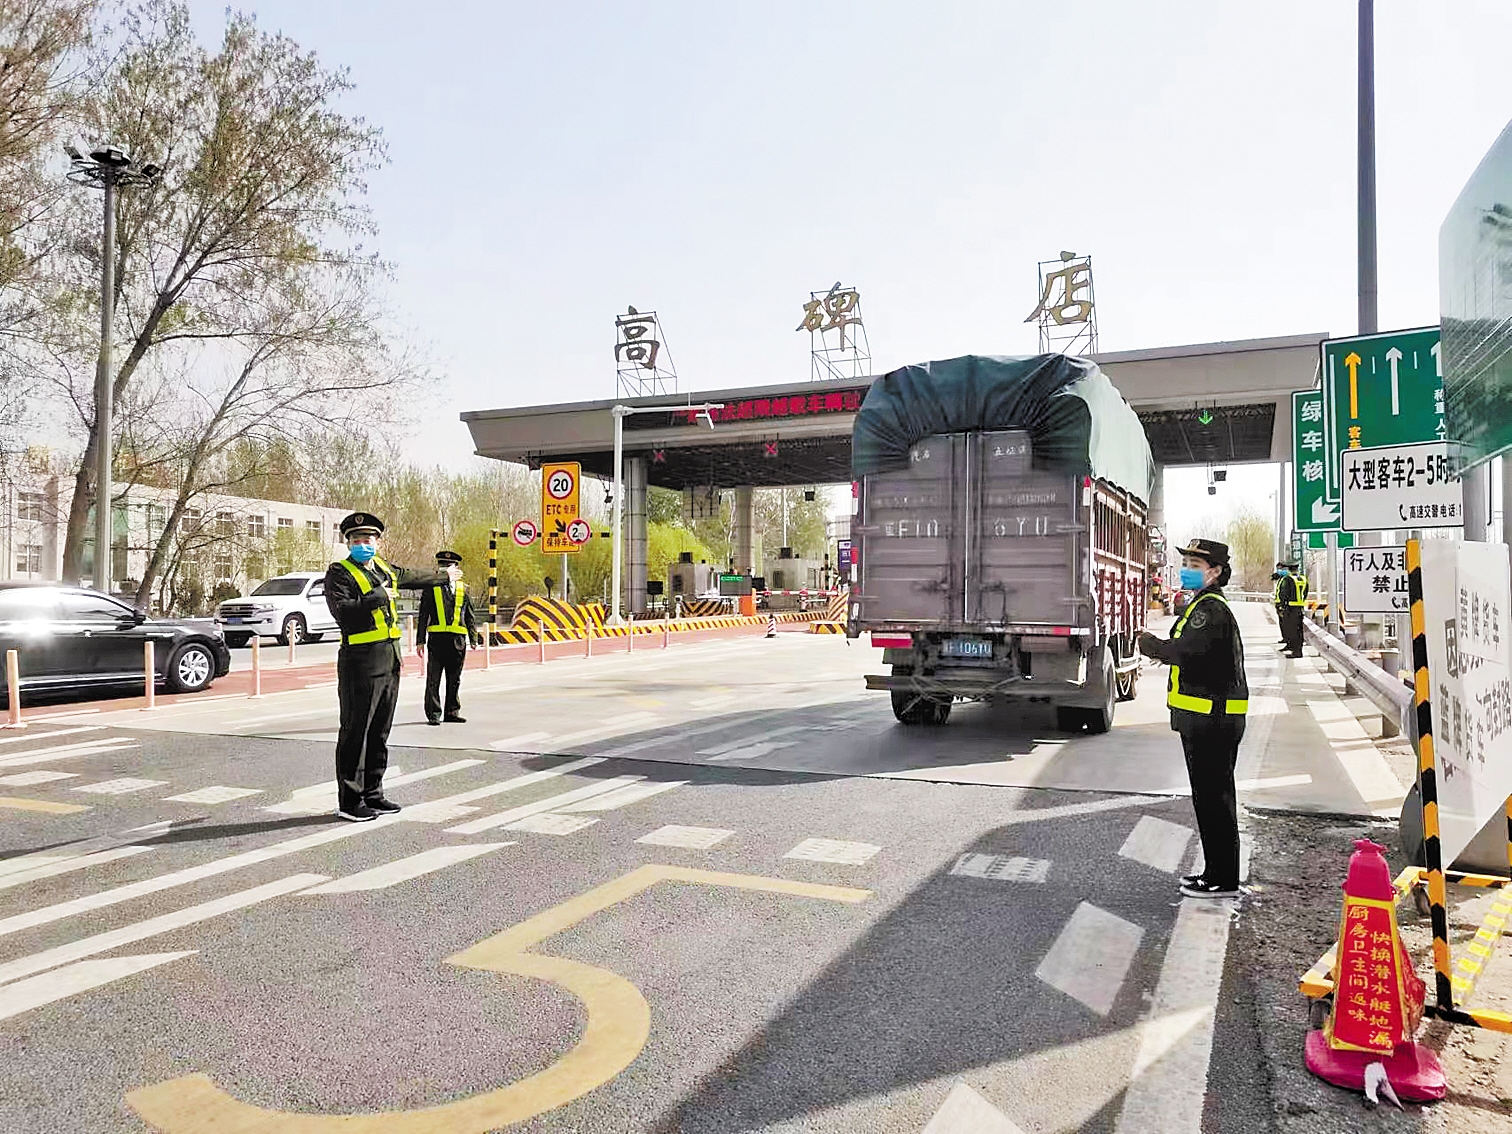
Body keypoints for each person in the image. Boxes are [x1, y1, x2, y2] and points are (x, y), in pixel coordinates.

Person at [323, 512, 455, 822]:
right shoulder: (339, 573)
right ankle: (350, 800)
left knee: (380, 730)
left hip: (389, 658)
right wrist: (375, 597)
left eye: (367, 540)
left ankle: (373, 793)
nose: (362, 545)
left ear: (378, 542)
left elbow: (412, 576)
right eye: (356, 541)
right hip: (360, 660)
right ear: (348, 544)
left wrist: (445, 576)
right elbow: (342, 612)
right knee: (357, 730)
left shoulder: (383, 569)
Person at [1138, 538, 1249, 898]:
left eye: (1195, 565)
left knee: (1214, 801)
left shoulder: (1210, 610)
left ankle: (1223, 880)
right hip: (1207, 720)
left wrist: (1149, 644)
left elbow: (1185, 652)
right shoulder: (1203, 604)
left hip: (1212, 722)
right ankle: (1215, 872)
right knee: (1209, 800)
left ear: (1215, 572)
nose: (1187, 568)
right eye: (1185, 561)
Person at [416, 549, 480, 725]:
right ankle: (434, 714)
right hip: (436, 640)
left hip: (458, 640)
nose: (445, 569)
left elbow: (470, 616)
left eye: (448, 566)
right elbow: (423, 615)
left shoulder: (463, 588)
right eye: (442, 566)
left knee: (455, 679)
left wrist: (474, 638)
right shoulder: (431, 587)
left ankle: (452, 711)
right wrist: (420, 640)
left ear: (456, 568)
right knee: (433, 679)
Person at [1276, 561, 1306, 658]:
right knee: (1299, 630)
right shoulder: (1303, 579)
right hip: (1300, 608)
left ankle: (1295, 651)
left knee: (1291, 630)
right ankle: (1298, 649)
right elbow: (1305, 593)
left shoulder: (1288, 579)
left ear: (1289, 569)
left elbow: (1284, 593)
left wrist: (1282, 606)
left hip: (1290, 608)